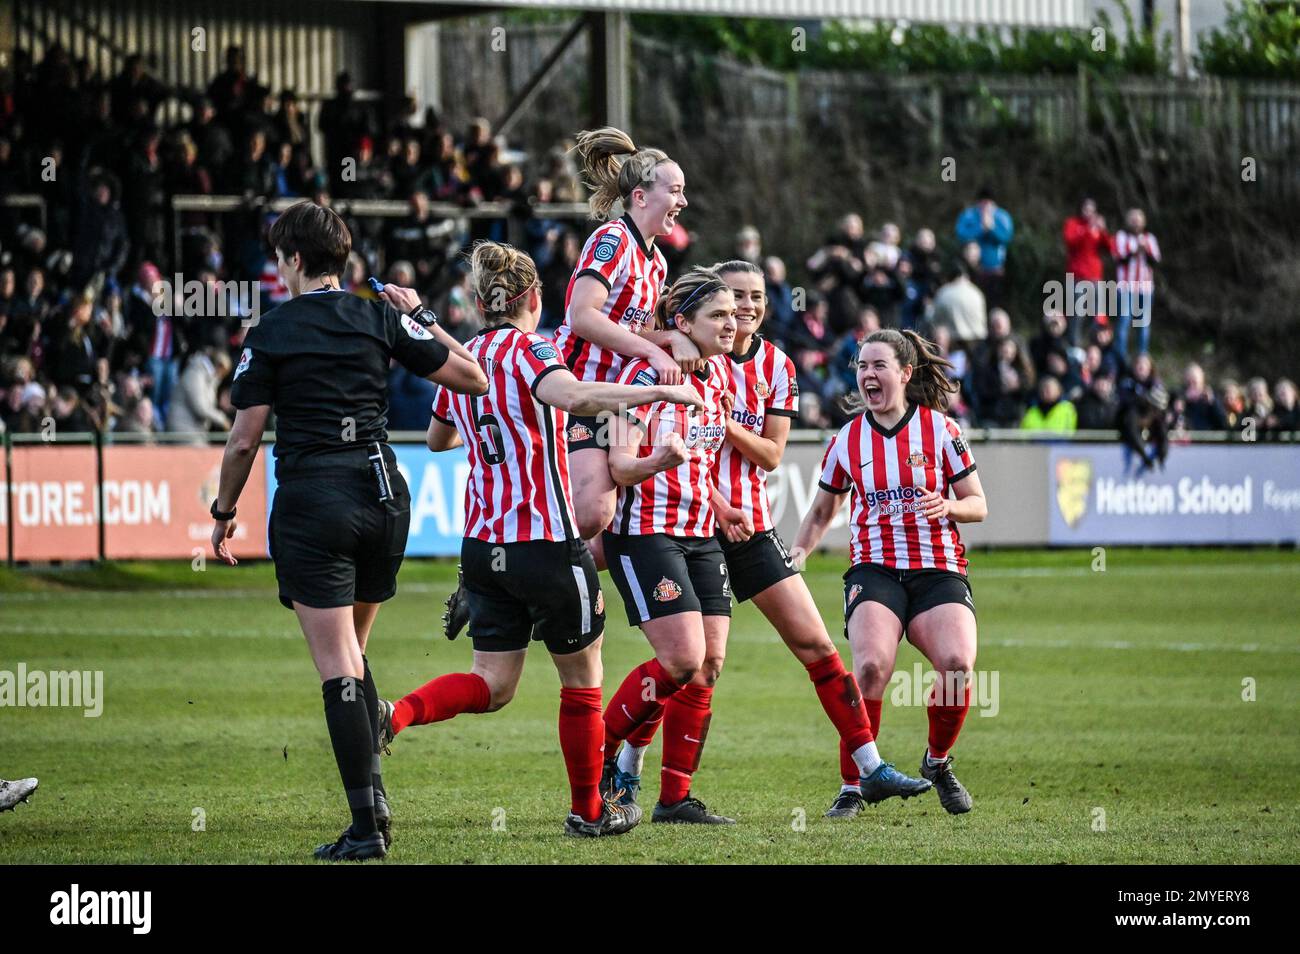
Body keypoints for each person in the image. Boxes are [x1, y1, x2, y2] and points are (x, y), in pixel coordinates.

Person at [374, 242, 705, 838]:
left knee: (493, 684)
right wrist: (660, 392)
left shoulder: (469, 356)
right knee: (582, 682)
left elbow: (437, 440)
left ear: (479, 303)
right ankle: (589, 811)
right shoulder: (536, 351)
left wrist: (491, 418)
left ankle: (394, 716)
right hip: (547, 541)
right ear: (534, 298)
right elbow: (573, 396)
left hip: (481, 547)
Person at [211, 200, 487, 861]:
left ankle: (366, 829)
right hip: (386, 496)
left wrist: (223, 513)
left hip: (317, 500)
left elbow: (246, 439)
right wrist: (420, 318)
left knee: (337, 662)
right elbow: (474, 378)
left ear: (296, 260)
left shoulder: (273, 330)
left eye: (280, 259)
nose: (279, 270)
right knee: (355, 656)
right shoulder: (379, 316)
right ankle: (378, 802)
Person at [607, 259, 931, 821]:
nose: (746, 309)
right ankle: (636, 770)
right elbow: (630, 361)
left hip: (747, 523)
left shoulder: (776, 365)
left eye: (754, 298)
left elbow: (773, 455)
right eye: (733, 299)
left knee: (815, 644)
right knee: (693, 664)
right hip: (687, 522)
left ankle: (868, 767)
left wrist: (727, 424)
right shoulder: (676, 358)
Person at [442, 126, 697, 640]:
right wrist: (653, 348)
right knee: (594, 511)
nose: (683, 202)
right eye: (675, 190)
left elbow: (628, 324)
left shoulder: (657, 260)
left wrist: (670, 338)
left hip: (617, 400)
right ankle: (504, 583)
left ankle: (519, 584)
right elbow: (582, 316)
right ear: (640, 195)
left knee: (605, 521)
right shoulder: (612, 240)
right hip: (577, 392)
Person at [791, 329, 988, 816]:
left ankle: (938, 762)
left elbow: (979, 504)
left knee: (958, 667)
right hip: (874, 569)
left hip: (937, 568)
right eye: (861, 365)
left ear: (904, 373)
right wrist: (795, 553)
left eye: (878, 365)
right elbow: (821, 512)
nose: (867, 374)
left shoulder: (941, 431)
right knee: (871, 667)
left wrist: (949, 505)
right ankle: (854, 786)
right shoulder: (846, 438)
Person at [599, 268, 750, 825]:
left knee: (707, 665)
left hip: (699, 534)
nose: (731, 324)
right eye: (718, 315)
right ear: (682, 323)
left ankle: (674, 798)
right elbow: (620, 464)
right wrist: (656, 462)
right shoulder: (642, 374)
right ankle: (602, 758)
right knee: (680, 659)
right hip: (645, 534)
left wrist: (720, 503)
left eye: (733, 315)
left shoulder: (718, 382)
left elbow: (700, 465)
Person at [1061, 198, 1113, 346]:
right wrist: (1087, 230)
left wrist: (1103, 231)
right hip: (1076, 276)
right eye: (1086, 209)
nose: (1089, 212)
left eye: (1092, 210)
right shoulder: (1072, 223)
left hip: (1095, 277)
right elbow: (1070, 242)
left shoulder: (1097, 228)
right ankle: (1073, 344)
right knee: (1077, 314)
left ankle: (1093, 347)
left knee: (1097, 315)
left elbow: (1110, 248)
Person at [1113, 208, 1161, 359]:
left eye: (1138, 220)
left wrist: (1145, 251)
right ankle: (1121, 358)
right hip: (1126, 287)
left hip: (1145, 288)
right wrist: (1135, 251)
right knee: (1124, 323)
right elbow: (1119, 259)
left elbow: (1155, 262)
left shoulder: (1150, 238)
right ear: (1128, 222)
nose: (1135, 223)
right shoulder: (1121, 237)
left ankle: (1142, 358)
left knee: (1143, 325)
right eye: (1133, 220)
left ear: (1143, 222)